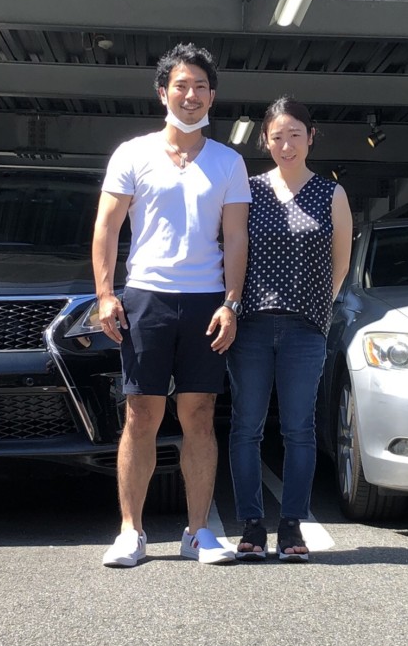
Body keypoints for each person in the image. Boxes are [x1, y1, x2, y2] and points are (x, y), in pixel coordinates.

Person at [94, 43, 251, 568]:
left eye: (201, 86)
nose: (191, 95)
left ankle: (199, 532)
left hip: (206, 300)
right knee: (141, 414)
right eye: (181, 85)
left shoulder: (229, 162)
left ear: (212, 96)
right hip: (146, 296)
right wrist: (106, 294)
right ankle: (131, 532)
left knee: (199, 415)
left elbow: (236, 237)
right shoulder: (132, 154)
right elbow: (107, 227)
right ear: (163, 92)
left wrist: (231, 303)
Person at [226, 97, 352, 561]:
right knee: (246, 427)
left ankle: (292, 525)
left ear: (311, 137)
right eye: (277, 136)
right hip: (252, 325)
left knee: (299, 429)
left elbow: (340, 264)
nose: (286, 145)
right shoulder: (249, 190)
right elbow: (232, 248)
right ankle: (251, 525)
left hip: (305, 327)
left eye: (295, 135)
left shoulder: (331, 194)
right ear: (265, 140)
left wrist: (317, 308)